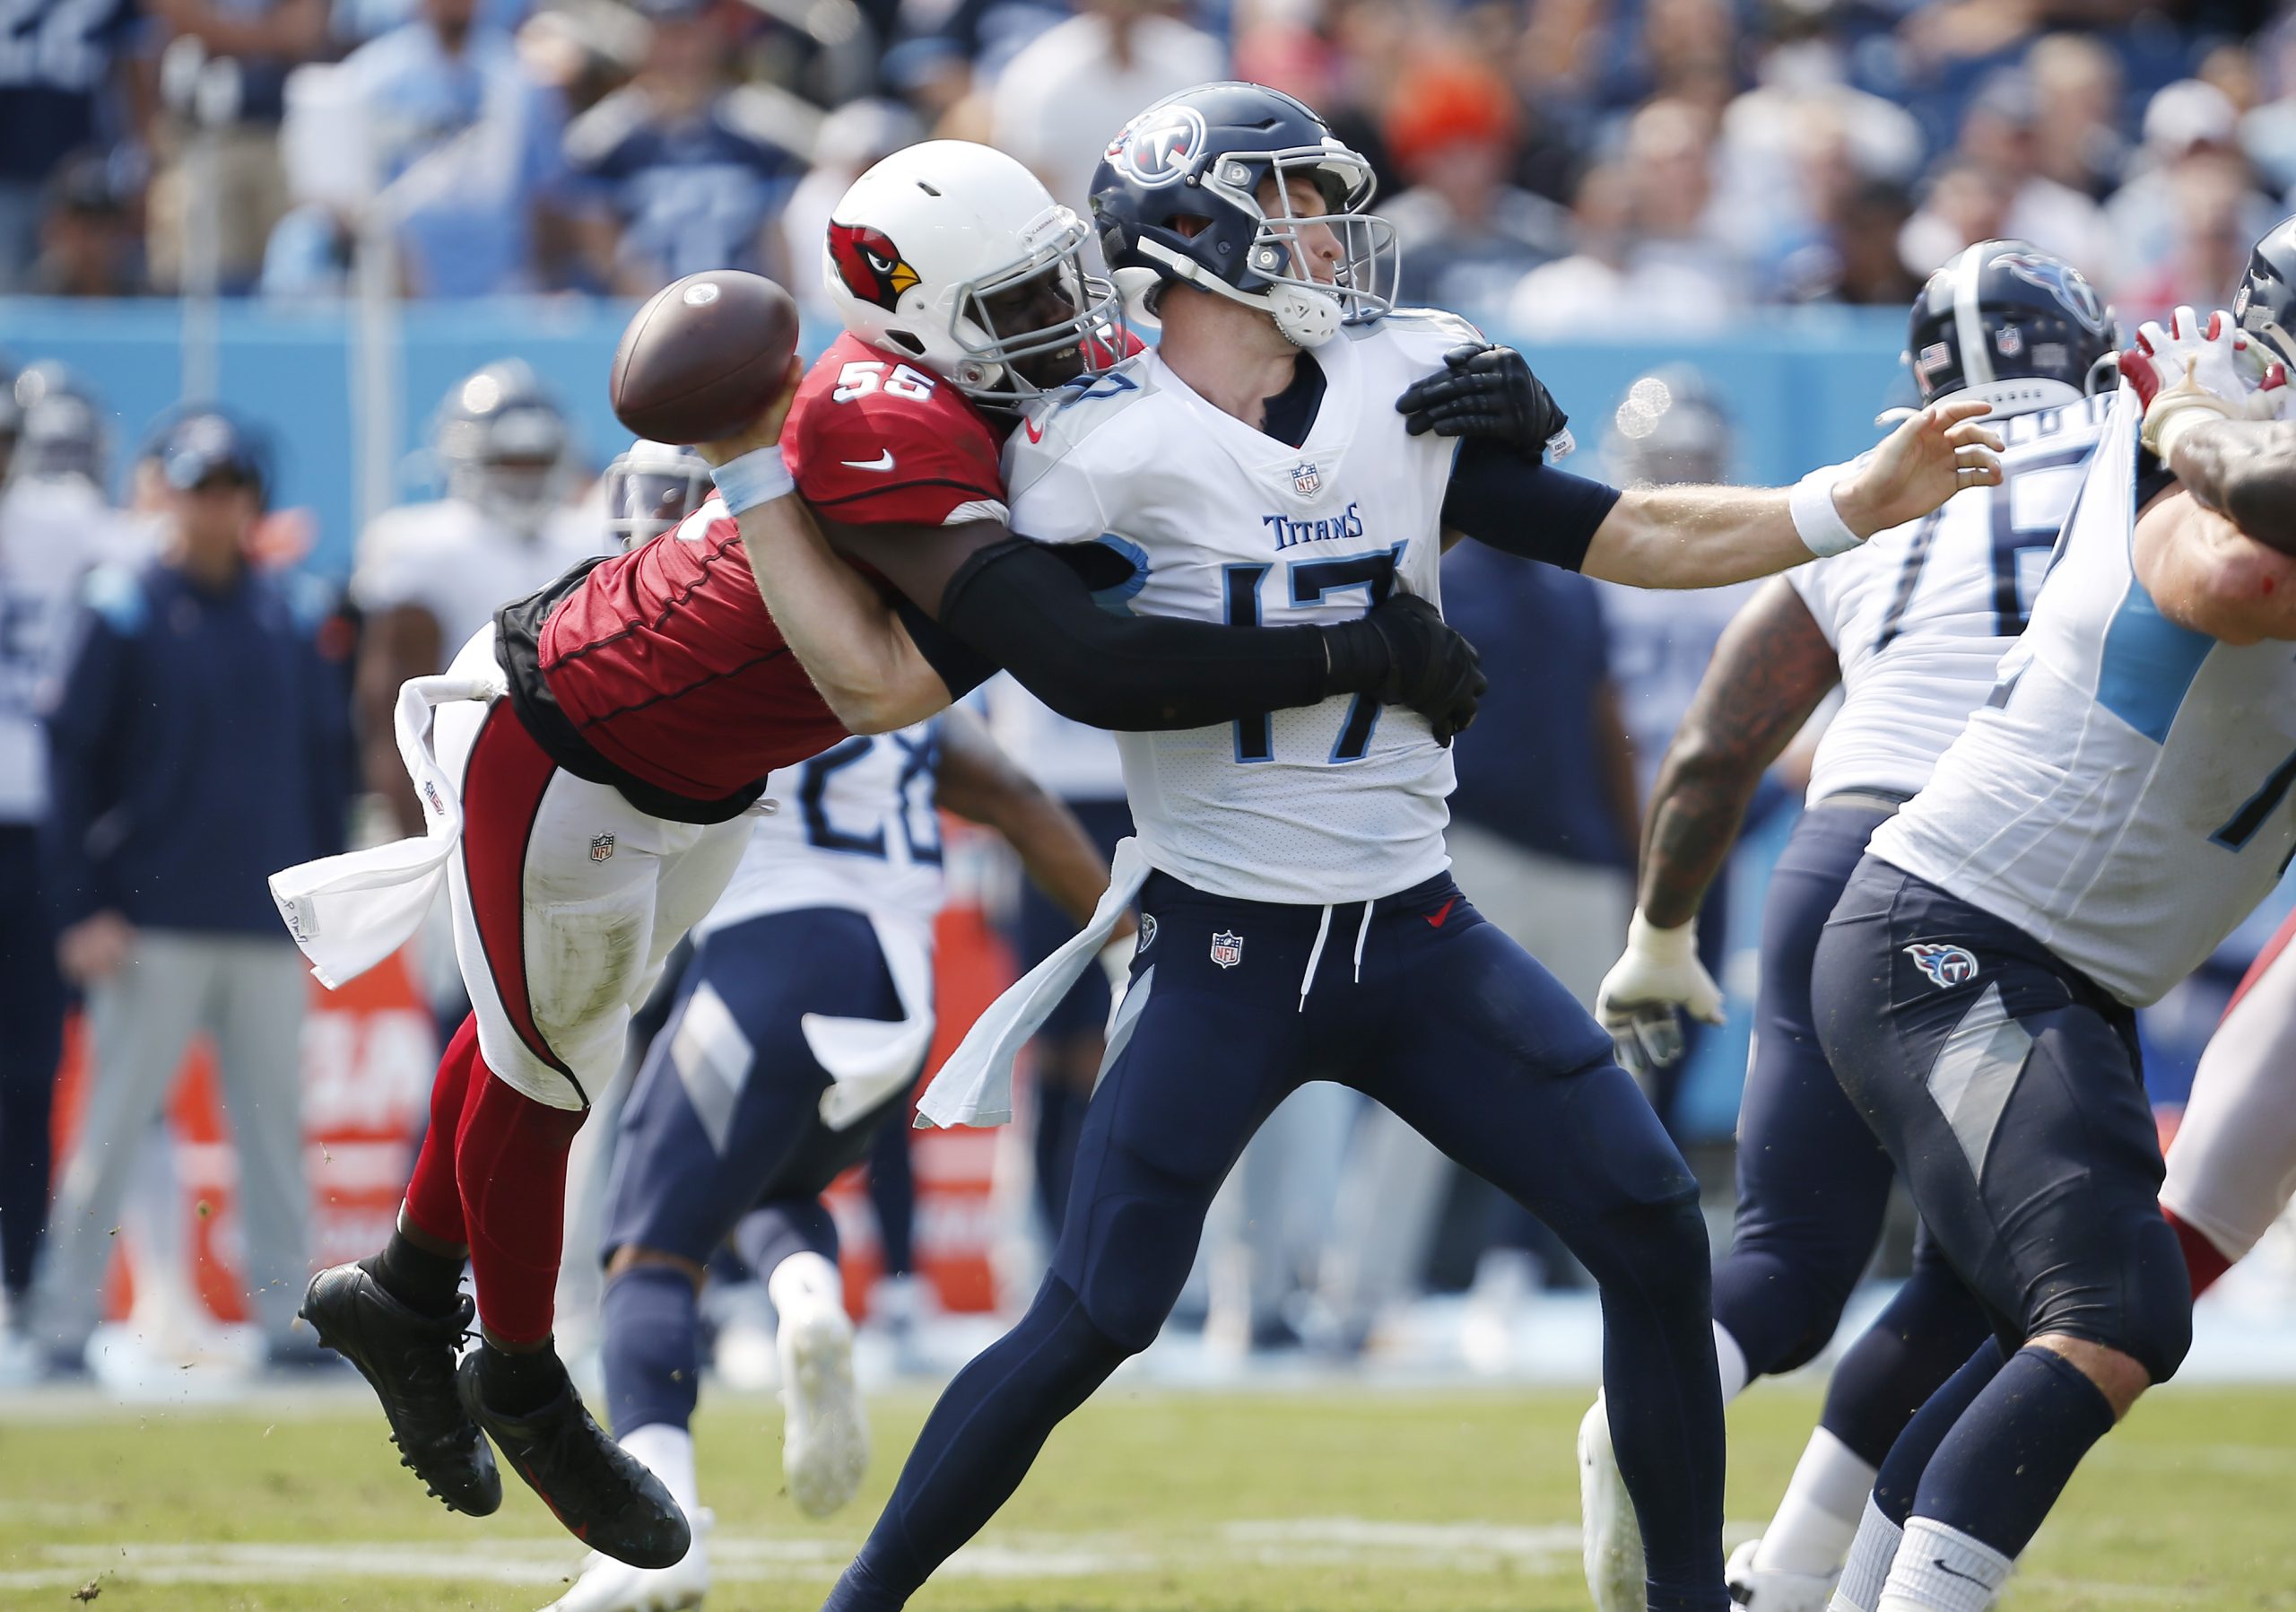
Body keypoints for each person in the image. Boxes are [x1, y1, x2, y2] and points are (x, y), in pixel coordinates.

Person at [745, 82, 2003, 1612]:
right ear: (1197, 233)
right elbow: (995, 643)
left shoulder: (1405, 382)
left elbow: (1631, 535)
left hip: (1418, 936)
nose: (1329, 232)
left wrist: (1848, 502)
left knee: (1655, 1230)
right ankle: (857, 1600)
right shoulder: (1088, 444)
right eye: (1289, 203)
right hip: (1225, 946)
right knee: (1095, 1312)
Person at [278, 135, 1485, 1569]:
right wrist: (1346, 648)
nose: (1071, 326)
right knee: (548, 1072)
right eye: (1021, 303)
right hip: (562, 738)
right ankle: (523, 1380)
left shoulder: (1022, 383)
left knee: (552, 1032)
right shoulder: (874, 412)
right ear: (921, 320)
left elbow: (1239, 422)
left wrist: (1427, 389)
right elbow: (990, 670)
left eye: (1066, 286)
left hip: (710, 768)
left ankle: (407, 1291)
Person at [1581, 240, 2118, 1612]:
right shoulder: (2145, 444)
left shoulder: (1891, 484)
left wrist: (1661, 932)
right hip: (2015, 869)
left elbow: (1717, 745)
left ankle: (1724, 1492)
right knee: (2023, 1288)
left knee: (1789, 1263)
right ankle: (1843, 1573)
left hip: (1837, 855)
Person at [1812, 281, 2296, 1612]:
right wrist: (2199, 420)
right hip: (1953, 939)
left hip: (2036, 964)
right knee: (2116, 1308)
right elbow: (2240, 566)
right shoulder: (2184, 474)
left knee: (2038, 1316)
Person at [557, 700, 1130, 1612]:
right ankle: (805, 1295)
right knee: (766, 1181)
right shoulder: (900, 669)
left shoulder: (731, 626)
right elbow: (1018, 798)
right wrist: (1132, 943)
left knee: (649, 1249)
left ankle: (653, 1543)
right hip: (896, 986)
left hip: (769, 958)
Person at [30, 408, 352, 1377]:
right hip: (149, 919)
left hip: (260, 917)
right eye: (196, 486)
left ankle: (287, 1317)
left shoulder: (291, 613)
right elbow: (69, 762)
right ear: (165, 490)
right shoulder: (121, 605)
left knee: (274, 1131)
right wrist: (79, 902)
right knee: (111, 1126)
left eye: (229, 488)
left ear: (252, 500)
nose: (214, 506)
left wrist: (324, 898)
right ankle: (60, 1323)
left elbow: (324, 765)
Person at [0, 367, 147, 1369]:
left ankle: (20, 1287)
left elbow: (165, 554)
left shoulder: (64, 526)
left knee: (26, 1068)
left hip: (31, 822)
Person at [352, 361, 604, 837]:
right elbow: (391, 711)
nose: (524, 477)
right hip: (461, 782)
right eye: (509, 460)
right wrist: (421, 836)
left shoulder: (589, 538)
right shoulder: (421, 546)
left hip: (573, 787)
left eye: (537, 461)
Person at [561, 0, 806, 295]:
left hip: (740, 316)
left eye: (689, 34)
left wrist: (780, 312)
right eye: (668, 36)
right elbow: (601, 250)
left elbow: (775, 241)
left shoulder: (756, 132)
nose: (680, 52)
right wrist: (660, 317)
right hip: (641, 318)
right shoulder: (603, 139)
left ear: (712, 36)